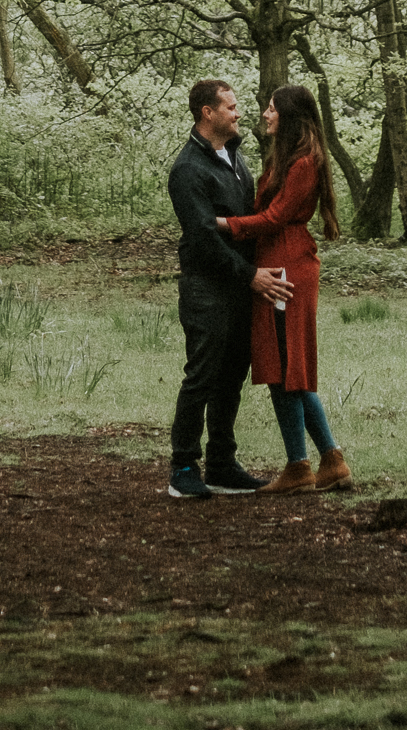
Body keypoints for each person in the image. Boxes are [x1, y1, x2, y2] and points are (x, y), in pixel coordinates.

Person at [217, 83, 353, 493]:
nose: (265, 114)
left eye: (272, 108)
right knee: (288, 367)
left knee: (286, 368)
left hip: (286, 267)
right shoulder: (289, 159)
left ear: (290, 116)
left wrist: (223, 225)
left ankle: (299, 467)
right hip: (279, 261)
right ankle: (330, 461)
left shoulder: (304, 164)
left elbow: (275, 217)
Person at [166, 76, 294, 500]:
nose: (240, 114)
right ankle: (183, 467)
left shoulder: (236, 160)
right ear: (208, 113)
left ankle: (221, 463)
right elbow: (203, 238)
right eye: (231, 107)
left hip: (241, 285)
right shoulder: (188, 169)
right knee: (202, 375)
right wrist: (249, 275)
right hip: (206, 288)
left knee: (232, 376)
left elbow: (251, 222)